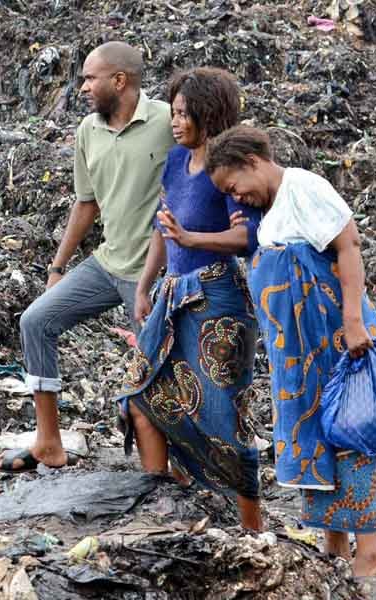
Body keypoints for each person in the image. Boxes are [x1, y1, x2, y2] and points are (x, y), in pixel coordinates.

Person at [205, 125, 376, 576]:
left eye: (235, 187)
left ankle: (372, 551)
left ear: (252, 163)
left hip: (335, 342)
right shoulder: (273, 213)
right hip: (303, 355)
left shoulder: (303, 187)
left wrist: (352, 320)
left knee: (350, 436)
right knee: (317, 441)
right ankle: (335, 546)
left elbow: (347, 247)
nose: (238, 198)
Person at [0, 41, 175, 472]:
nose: (81, 87)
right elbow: (85, 203)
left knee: (158, 371)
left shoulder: (168, 121)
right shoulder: (87, 131)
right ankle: (49, 443)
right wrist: (58, 268)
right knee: (36, 321)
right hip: (107, 262)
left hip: (151, 275)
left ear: (120, 81)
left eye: (89, 78)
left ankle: (172, 468)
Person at [115, 67, 265, 531]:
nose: (175, 122)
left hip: (218, 299)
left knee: (223, 414)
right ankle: (160, 504)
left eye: (183, 114)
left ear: (208, 115)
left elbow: (247, 236)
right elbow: (165, 229)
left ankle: (252, 527)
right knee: (141, 395)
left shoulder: (228, 167)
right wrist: (144, 285)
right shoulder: (176, 163)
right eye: (173, 112)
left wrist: (192, 237)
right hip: (172, 296)